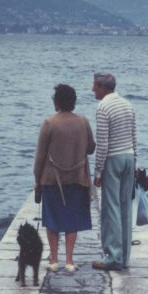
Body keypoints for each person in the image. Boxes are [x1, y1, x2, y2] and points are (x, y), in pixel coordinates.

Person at [33, 83, 96, 273]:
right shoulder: (84, 121)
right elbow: (91, 148)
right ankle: (69, 261)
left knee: (52, 220)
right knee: (72, 220)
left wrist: (37, 180)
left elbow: (39, 157)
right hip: (77, 178)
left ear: (57, 101)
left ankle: (54, 260)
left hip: (52, 180)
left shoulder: (49, 123)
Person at [91, 71, 137, 271]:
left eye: (94, 86)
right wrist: (135, 162)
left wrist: (98, 171)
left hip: (113, 159)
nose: (92, 89)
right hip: (129, 157)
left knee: (111, 209)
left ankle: (112, 257)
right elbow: (134, 135)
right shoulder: (127, 104)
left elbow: (103, 143)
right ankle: (124, 257)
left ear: (102, 87)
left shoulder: (103, 107)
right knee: (126, 207)